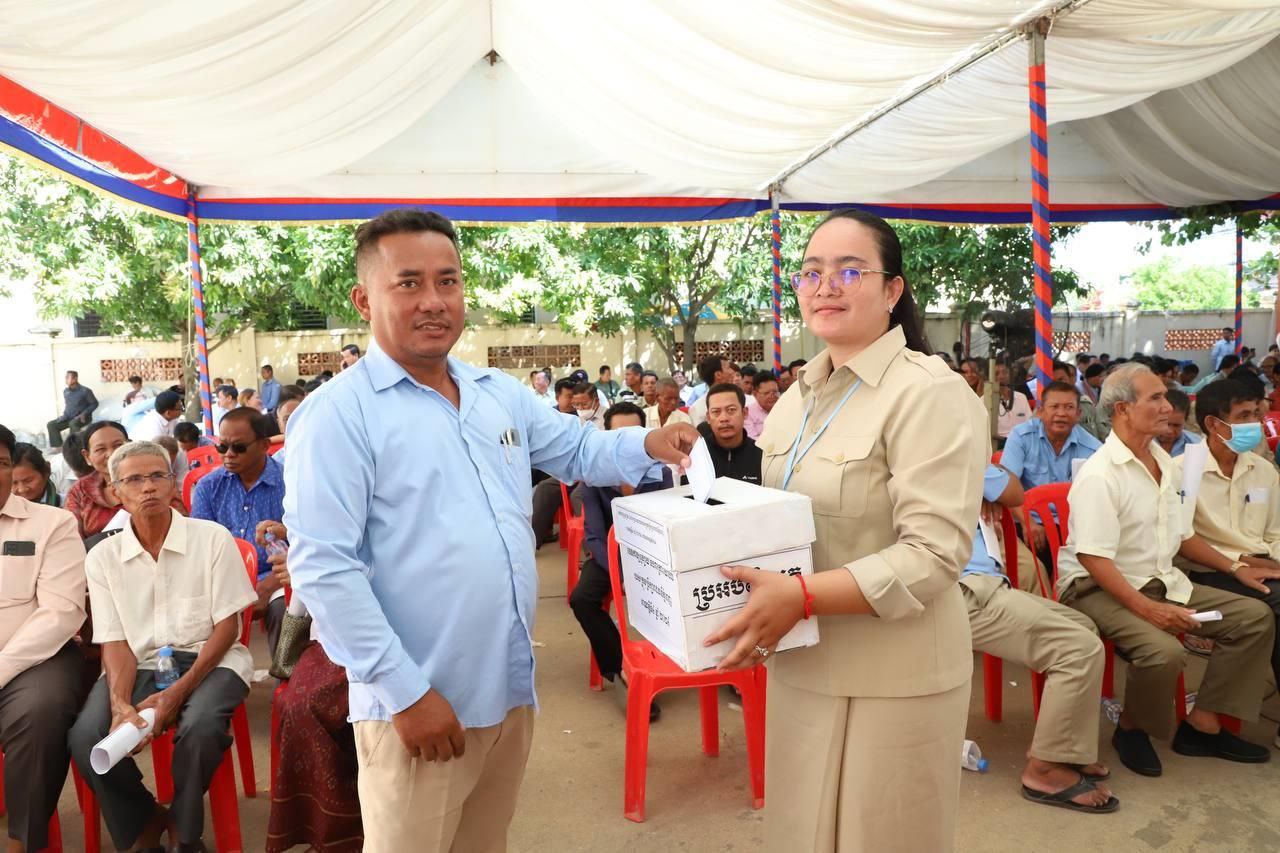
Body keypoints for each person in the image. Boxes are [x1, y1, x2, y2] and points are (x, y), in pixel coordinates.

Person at [281, 209, 698, 853]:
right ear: (364, 300)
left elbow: (577, 450)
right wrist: (406, 694)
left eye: (447, 281)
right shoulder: (339, 415)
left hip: (505, 689)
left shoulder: (493, 393)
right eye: (409, 283)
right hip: (420, 703)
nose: (433, 300)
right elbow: (324, 569)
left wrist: (650, 442)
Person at [703, 209, 987, 851]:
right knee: (800, 835)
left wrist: (802, 596)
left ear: (892, 291)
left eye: (849, 271)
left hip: (896, 675)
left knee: (879, 838)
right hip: (802, 661)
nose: (825, 285)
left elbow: (934, 554)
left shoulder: (929, 393)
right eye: (811, 272)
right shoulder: (795, 400)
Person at [1056, 365, 1274, 778]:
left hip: (1158, 580)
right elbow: (1094, 559)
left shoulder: (1164, 463)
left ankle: (1203, 725)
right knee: (1164, 651)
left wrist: (1235, 568)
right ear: (1122, 409)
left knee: (1253, 618)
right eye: (1154, 398)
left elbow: (1183, 536)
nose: (1167, 406)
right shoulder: (1100, 474)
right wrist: (1150, 610)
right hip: (1095, 586)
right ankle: (1131, 728)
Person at [69, 440, 257, 853]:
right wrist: (120, 703)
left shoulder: (211, 539)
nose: (149, 487)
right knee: (86, 736)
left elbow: (228, 628)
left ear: (174, 483)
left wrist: (177, 692)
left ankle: (185, 833)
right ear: (115, 492)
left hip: (213, 659)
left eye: (158, 476)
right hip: (140, 663)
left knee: (202, 726)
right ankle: (146, 817)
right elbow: (115, 641)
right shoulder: (103, 557)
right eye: (134, 480)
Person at [959, 462, 1115, 812]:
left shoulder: (963, 456)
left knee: (1084, 627)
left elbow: (1013, 492)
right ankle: (1044, 770)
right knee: (1079, 649)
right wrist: (984, 485)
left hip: (988, 584)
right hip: (961, 588)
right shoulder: (949, 451)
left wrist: (985, 488)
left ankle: (1067, 749)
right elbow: (1012, 491)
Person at [1175, 379, 1280, 746]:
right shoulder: (1183, 472)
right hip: (1209, 571)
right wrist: (1242, 562)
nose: (1254, 424)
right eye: (1243, 416)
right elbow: (1182, 540)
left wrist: (1272, 563)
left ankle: (1211, 719)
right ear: (1213, 423)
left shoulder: (1263, 471)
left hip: (1264, 568)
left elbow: (1275, 533)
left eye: (1256, 414)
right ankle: (1207, 721)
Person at [0, 424, 88, 853]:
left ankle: (24, 842)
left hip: (39, 658)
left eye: (1, 463)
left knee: (41, 713)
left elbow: (60, 612)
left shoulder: (52, 523)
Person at [260, 521, 363, 853]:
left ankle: (350, 831)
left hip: (384, 628)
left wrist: (307, 571)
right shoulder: (318, 513)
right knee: (300, 704)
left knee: (351, 705)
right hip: (330, 636)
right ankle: (331, 833)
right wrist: (303, 566)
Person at [569, 402, 668, 722]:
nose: (626, 442)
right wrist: (621, 576)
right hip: (609, 557)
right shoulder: (593, 479)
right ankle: (622, 669)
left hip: (651, 558)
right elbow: (595, 537)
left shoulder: (660, 474)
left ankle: (667, 666)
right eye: (618, 435)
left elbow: (666, 528)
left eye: (634, 433)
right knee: (582, 599)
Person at [190, 408, 286, 653]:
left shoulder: (290, 483)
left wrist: (269, 585)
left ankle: (284, 674)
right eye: (222, 447)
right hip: (222, 580)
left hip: (277, 576)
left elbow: (308, 546)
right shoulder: (208, 487)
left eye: (239, 447)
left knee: (283, 608)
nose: (229, 455)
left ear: (264, 445)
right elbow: (200, 549)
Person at [1001, 381, 1101, 552]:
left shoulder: (1093, 449)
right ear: (1040, 411)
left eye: (1069, 407)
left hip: (1073, 528)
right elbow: (1006, 486)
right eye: (1054, 407)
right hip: (1027, 520)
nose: (1061, 413)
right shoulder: (1021, 437)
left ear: (1078, 414)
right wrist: (1028, 523)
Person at [64, 421, 129, 539]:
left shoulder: (152, 480)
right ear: (87, 456)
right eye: (100, 449)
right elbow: (72, 538)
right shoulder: (79, 490)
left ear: (130, 446)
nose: (111, 454)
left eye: (118, 445)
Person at [692, 384, 762, 484]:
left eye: (731, 410)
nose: (724, 418)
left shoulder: (761, 454)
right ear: (708, 417)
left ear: (744, 413)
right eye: (716, 412)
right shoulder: (696, 455)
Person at [46, 370, 98, 449]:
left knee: (73, 424)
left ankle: (74, 447)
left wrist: (84, 413)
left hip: (83, 418)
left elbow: (94, 404)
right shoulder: (66, 391)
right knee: (51, 424)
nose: (66, 379)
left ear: (75, 379)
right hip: (68, 417)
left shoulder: (85, 391)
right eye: (65, 377)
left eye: (68, 377)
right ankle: (58, 447)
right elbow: (69, 406)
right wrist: (64, 416)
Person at [688, 354, 733, 425]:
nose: (732, 372)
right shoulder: (698, 408)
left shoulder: (741, 399)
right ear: (718, 375)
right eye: (728, 368)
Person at [11, 442, 60, 507]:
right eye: (13, 483)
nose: (22, 489)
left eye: (28, 480)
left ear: (47, 471)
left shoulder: (67, 505)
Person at [1156, 388, 1201, 457]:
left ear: (1185, 421)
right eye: (1165, 423)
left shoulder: (1196, 444)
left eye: (1176, 425)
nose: (1169, 431)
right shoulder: (1142, 444)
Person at [995, 363, 1033, 440]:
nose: (1001, 376)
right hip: (999, 442)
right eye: (996, 373)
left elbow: (1030, 424)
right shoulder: (984, 401)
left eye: (1005, 372)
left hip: (1022, 441)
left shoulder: (1021, 397)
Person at [743, 373, 780, 440]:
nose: (772, 396)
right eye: (766, 393)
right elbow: (751, 439)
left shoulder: (784, 409)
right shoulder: (748, 413)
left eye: (775, 392)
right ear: (755, 393)